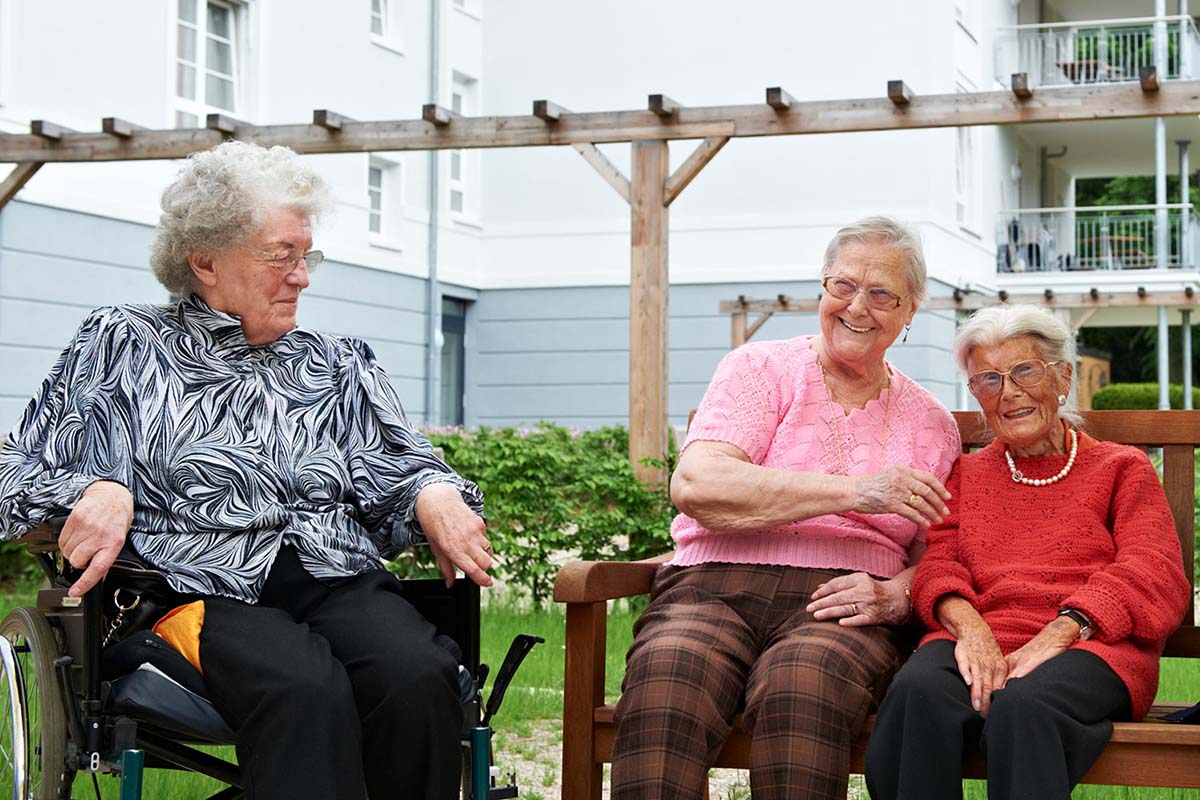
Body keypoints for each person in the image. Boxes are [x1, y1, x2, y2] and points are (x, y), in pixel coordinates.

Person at [0, 141, 492, 800]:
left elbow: (398, 466)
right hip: (192, 587)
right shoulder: (125, 343)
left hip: (332, 577)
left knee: (415, 677)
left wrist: (433, 492)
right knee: (303, 687)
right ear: (204, 260)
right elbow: (18, 470)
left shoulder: (337, 362)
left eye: (306, 254)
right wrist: (94, 486)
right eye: (280, 255)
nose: (302, 276)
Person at [610, 217, 961, 800]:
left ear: (910, 311)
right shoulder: (760, 369)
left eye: (881, 294)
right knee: (669, 677)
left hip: (844, 602)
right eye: (842, 286)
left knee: (803, 687)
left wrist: (898, 595)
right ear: (822, 289)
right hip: (710, 585)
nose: (856, 307)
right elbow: (697, 483)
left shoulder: (932, 424)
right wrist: (855, 492)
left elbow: (939, 554)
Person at [865, 304, 1190, 800]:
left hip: (1092, 646)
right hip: (981, 641)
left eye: (1024, 371)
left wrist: (1061, 631)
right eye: (989, 380)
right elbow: (939, 565)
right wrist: (971, 628)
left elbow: (1153, 571)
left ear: (1062, 378)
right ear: (977, 396)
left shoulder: (1122, 468)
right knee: (916, 696)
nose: (1009, 392)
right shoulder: (968, 475)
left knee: (1025, 705)